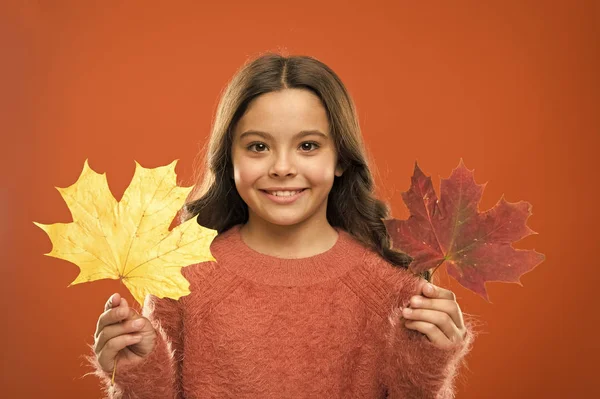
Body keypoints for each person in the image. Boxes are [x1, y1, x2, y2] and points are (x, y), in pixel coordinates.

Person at [87, 53, 476, 398]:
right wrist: (136, 376)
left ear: (340, 159)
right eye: (258, 146)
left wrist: (426, 369)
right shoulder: (181, 279)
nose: (283, 167)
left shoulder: (397, 289)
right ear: (229, 160)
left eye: (308, 146)